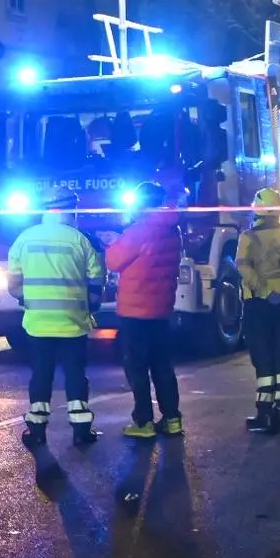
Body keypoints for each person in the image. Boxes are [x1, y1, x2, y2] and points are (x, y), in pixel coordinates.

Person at [8, 191, 106, 447]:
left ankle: (37, 430)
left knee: (41, 373)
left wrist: (27, 300)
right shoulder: (80, 240)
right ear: (69, 211)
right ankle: (81, 429)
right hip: (73, 323)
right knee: (75, 374)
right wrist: (91, 305)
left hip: (38, 323)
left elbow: (13, 285)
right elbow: (97, 279)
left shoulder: (24, 239)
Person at [105, 181, 184, 439]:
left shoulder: (138, 231)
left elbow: (114, 261)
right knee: (163, 366)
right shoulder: (173, 230)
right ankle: (172, 418)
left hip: (135, 311)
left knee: (137, 367)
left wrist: (113, 241)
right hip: (161, 309)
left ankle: (143, 422)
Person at [237, 188, 280, 434]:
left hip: (261, 302)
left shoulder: (249, 237)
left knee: (262, 357)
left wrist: (262, 291)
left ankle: (265, 414)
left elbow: (243, 267)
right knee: (279, 353)